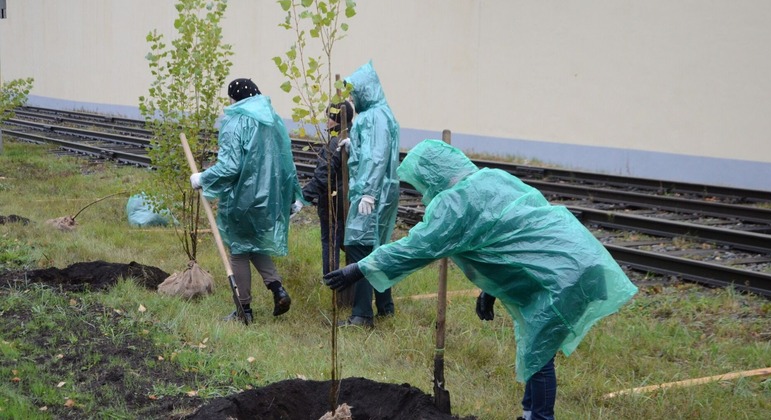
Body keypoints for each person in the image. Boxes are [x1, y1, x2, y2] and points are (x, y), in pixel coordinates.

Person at [323, 139, 639, 419]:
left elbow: (416, 247)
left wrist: (359, 268)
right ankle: (530, 413)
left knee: (538, 352)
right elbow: (510, 237)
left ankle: (540, 417)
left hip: (560, 276)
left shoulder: (455, 204)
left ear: (433, 175)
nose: (423, 194)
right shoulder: (492, 178)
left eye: (422, 184)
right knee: (536, 345)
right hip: (578, 258)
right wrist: (491, 290)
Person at [190, 78, 304, 323]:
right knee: (255, 244)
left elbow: (230, 167)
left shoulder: (235, 121)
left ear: (235, 98)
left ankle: (244, 310)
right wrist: (292, 196)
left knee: (239, 250)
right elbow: (286, 160)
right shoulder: (273, 120)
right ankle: (278, 290)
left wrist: (203, 178)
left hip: (242, 198)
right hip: (269, 199)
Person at [337, 61, 401, 328]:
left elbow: (376, 157)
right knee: (376, 247)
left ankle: (362, 314)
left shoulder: (374, 117)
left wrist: (369, 194)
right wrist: (354, 145)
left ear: (365, 90)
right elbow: (372, 151)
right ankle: (385, 306)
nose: (352, 99)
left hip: (372, 192)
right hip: (380, 190)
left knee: (359, 247)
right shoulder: (380, 113)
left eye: (354, 93)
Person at [301, 101, 354, 276]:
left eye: (329, 118)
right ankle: (353, 279)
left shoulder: (335, 142)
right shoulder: (355, 137)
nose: (326, 122)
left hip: (334, 203)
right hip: (350, 202)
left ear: (336, 119)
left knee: (331, 243)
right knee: (349, 244)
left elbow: (323, 176)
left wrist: (303, 197)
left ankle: (333, 280)